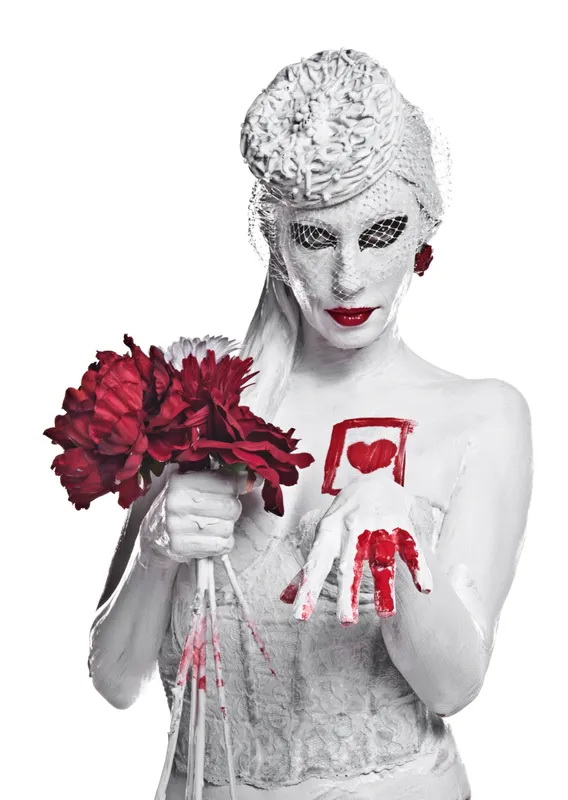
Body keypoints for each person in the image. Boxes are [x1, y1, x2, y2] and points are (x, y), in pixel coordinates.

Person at [89, 49, 532, 800]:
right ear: (274, 236)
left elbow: (454, 685)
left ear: (424, 230)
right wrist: (157, 550)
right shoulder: (200, 400)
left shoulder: (481, 416)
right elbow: (114, 679)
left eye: (379, 232)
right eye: (317, 237)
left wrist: (399, 549)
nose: (348, 277)